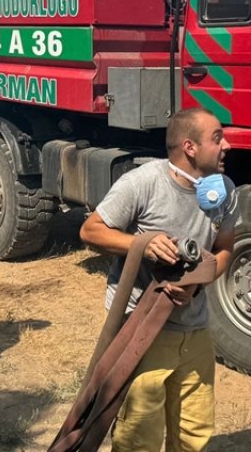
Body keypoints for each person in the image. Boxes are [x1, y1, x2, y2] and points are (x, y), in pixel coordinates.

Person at [79, 107, 241, 452]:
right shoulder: (143, 183)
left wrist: (198, 283)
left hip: (195, 330)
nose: (227, 145)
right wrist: (143, 243)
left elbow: (226, 248)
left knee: (194, 432)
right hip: (142, 329)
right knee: (140, 436)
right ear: (190, 147)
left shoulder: (223, 190)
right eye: (217, 138)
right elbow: (90, 230)